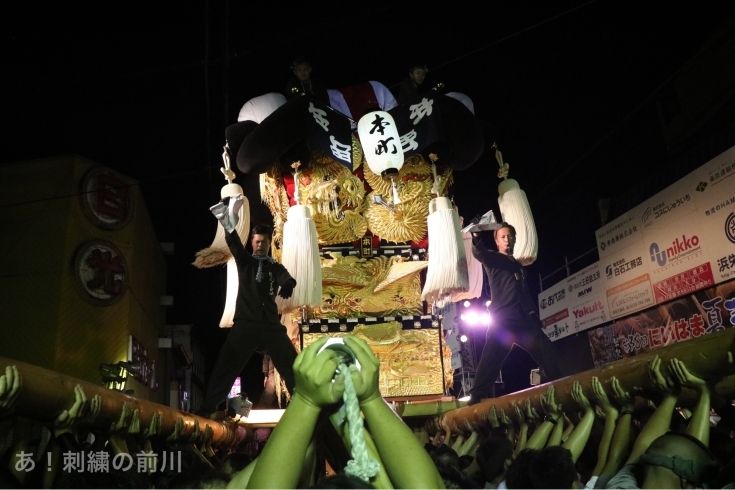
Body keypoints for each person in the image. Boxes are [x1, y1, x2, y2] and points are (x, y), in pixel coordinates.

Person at [198, 196, 297, 417]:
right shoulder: (245, 262)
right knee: (227, 363)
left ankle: (302, 401)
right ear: (252, 243)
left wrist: (289, 284)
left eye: (264, 241)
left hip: (270, 323)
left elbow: (285, 276)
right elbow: (233, 242)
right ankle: (208, 406)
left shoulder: (274, 266)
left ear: (270, 243)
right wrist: (226, 221)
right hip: (247, 322)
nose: (260, 245)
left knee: (290, 362)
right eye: (257, 241)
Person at [468, 223, 562, 405]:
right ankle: (476, 397)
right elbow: (479, 253)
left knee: (547, 351)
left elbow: (524, 293)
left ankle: (560, 384)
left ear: (514, 238)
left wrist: (534, 314)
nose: (507, 239)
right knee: (491, 358)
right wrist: (477, 237)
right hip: (502, 320)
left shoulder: (518, 266)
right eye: (502, 236)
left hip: (524, 320)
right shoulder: (494, 259)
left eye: (510, 236)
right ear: (496, 241)